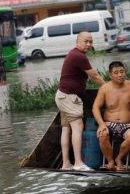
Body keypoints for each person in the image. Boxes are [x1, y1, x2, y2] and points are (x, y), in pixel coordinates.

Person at [55, 31, 105, 171]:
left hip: (62, 96)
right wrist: (108, 88)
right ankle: (78, 163)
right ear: (77, 42)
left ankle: (66, 164)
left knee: (66, 129)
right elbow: (95, 76)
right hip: (70, 98)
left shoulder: (74, 54)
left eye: (91, 41)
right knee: (77, 128)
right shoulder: (79, 55)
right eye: (85, 41)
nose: (89, 44)